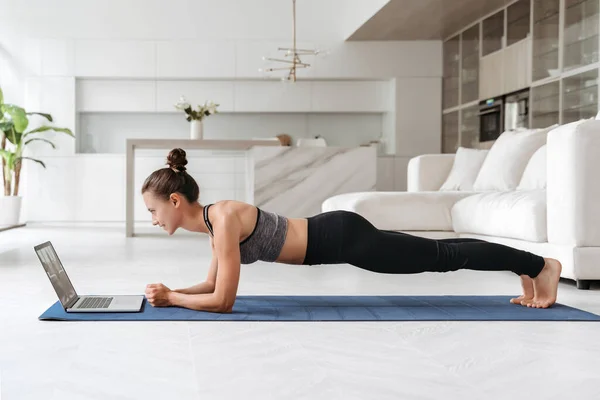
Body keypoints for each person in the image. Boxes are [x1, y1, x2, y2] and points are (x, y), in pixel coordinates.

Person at [142, 148, 562, 313]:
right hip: (340, 236)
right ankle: (525, 266)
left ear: (175, 201)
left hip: (344, 239)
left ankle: (541, 265)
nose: (154, 218)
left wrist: (173, 298)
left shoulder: (225, 219)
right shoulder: (216, 225)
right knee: (441, 252)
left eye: (154, 210)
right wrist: (172, 291)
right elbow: (211, 284)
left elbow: (224, 301)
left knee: (442, 258)